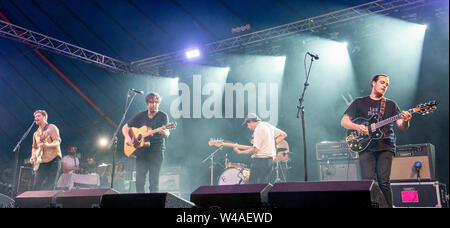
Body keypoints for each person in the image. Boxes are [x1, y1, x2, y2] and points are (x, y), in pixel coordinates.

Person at [340, 74, 412, 207]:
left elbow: (401, 126)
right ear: (373, 83)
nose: (385, 85)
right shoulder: (359, 102)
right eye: (382, 82)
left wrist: (406, 120)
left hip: (385, 145)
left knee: (384, 181)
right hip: (365, 146)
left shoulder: (390, 104)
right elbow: (344, 122)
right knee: (368, 182)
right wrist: (358, 127)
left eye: (387, 84)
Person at [122, 92, 169, 193]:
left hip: (156, 152)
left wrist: (162, 132)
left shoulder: (162, 116)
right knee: (139, 182)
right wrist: (127, 138)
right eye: (151, 102)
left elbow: (167, 134)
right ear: (147, 103)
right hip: (141, 153)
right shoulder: (141, 115)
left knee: (153, 183)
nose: (154, 104)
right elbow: (125, 127)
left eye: (156, 102)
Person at [233, 113, 287, 184]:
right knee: (263, 186)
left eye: (247, 124)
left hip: (260, 161)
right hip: (269, 162)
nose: (248, 127)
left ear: (251, 121)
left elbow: (255, 150)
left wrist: (240, 152)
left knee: (253, 186)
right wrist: (271, 143)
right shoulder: (267, 125)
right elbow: (283, 134)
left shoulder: (258, 129)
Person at [29, 110, 62, 190]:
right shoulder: (35, 133)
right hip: (42, 161)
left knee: (50, 185)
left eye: (38, 116)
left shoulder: (51, 127)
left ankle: (48, 202)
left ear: (44, 117)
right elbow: (34, 147)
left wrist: (48, 145)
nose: (36, 118)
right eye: (35, 117)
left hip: (54, 159)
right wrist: (33, 156)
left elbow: (57, 141)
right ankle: (35, 202)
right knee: (37, 185)